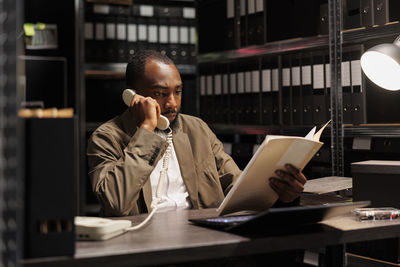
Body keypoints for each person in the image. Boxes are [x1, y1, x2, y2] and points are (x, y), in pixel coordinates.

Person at [87, 50, 307, 217]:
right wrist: (146, 131)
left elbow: (236, 184)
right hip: (144, 248)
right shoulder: (106, 138)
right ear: (132, 96)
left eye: (178, 92)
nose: (172, 103)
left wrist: (280, 193)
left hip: (202, 242)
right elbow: (115, 203)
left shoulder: (197, 129)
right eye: (160, 93)